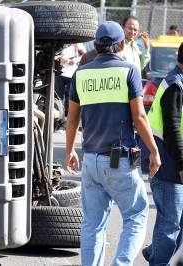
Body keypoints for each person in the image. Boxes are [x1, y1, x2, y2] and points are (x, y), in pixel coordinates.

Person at [65, 21, 161, 265]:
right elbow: (139, 117)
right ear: (121, 45)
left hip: (90, 160)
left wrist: (69, 153)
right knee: (137, 214)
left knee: (92, 225)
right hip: (119, 161)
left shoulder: (81, 74)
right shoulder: (129, 71)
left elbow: (72, 119)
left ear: (96, 46)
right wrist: (154, 150)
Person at [142, 42, 183, 265]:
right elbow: (173, 130)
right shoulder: (175, 85)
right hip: (169, 166)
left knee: (178, 225)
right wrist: (181, 166)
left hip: (175, 163)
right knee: (171, 225)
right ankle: (158, 260)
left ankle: (155, 251)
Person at [55, 43, 86, 120]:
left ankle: (69, 118)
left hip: (72, 74)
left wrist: (75, 60)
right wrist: (60, 58)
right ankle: (59, 119)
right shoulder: (59, 41)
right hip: (59, 73)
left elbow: (85, 54)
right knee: (58, 97)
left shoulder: (76, 42)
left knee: (71, 97)